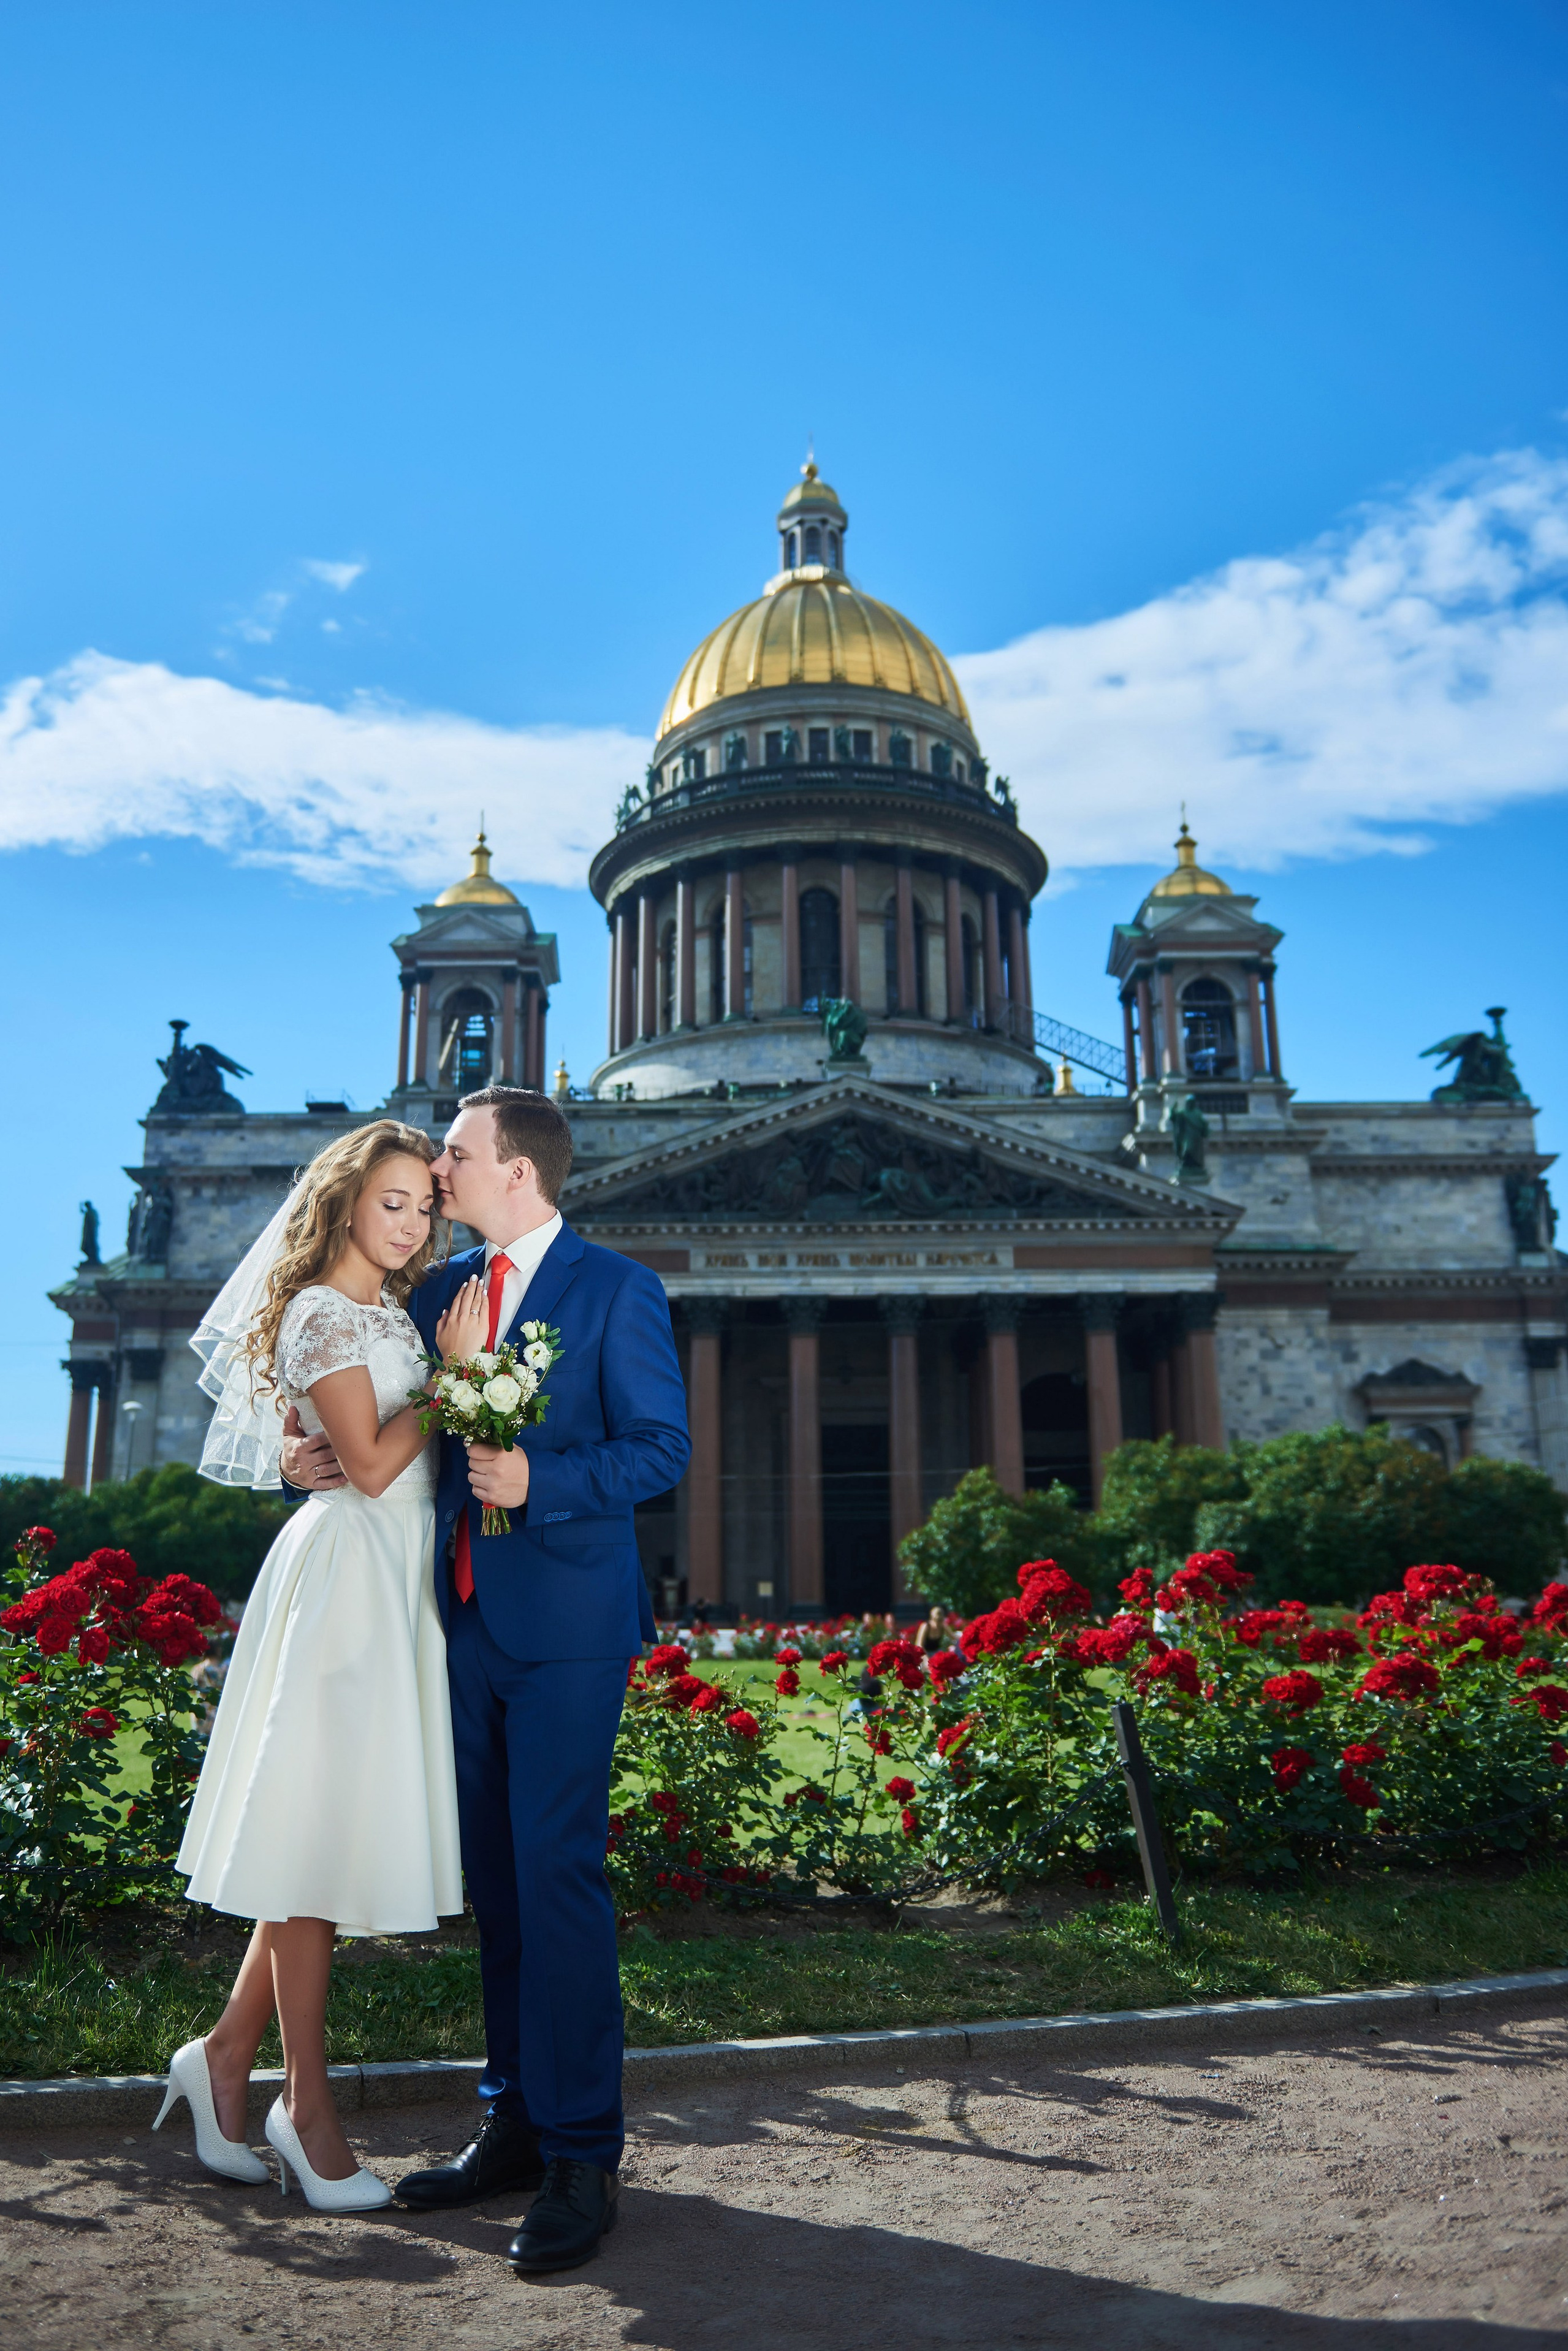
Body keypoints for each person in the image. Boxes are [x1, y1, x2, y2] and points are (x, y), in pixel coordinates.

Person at [280, 1086, 690, 2274]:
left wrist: (538, 1483)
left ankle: (581, 2155)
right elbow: (378, 1432)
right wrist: (301, 1455)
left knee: (559, 1879)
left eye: (453, 1153)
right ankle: (511, 2119)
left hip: (567, 1627)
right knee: (500, 1889)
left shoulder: (617, 1288)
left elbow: (663, 1446)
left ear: (514, 1168)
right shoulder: (438, 1298)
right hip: (462, 1620)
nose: (437, 1169)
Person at [157, 1121, 482, 2211]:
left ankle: (217, 2063)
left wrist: (385, 1412)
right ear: (343, 1202)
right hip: (352, 1575)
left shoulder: (389, 1311)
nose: (413, 1224)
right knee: (315, 1844)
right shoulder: (318, 1310)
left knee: (319, 1831)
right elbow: (380, 1468)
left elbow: (342, 1452)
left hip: (388, 1580)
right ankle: (305, 2106)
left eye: (424, 1207)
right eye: (393, 1203)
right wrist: (460, 1379)